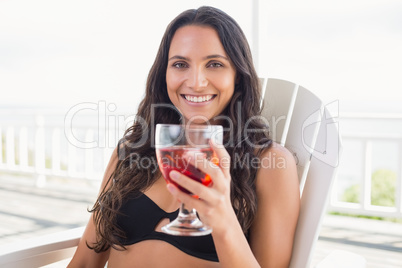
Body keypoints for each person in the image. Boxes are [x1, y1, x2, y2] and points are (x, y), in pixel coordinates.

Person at [68, 6, 299, 268]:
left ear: (237, 75)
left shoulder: (271, 165)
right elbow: (85, 262)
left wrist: (222, 219)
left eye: (214, 64)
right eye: (180, 64)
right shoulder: (131, 153)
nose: (196, 82)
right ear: (163, 75)